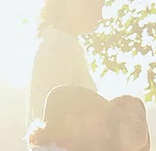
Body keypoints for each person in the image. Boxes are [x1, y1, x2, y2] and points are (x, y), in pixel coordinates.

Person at [27, 0, 105, 135]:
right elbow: (53, 117)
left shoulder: (67, 47)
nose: (100, 17)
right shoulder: (57, 49)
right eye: (95, 6)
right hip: (60, 150)